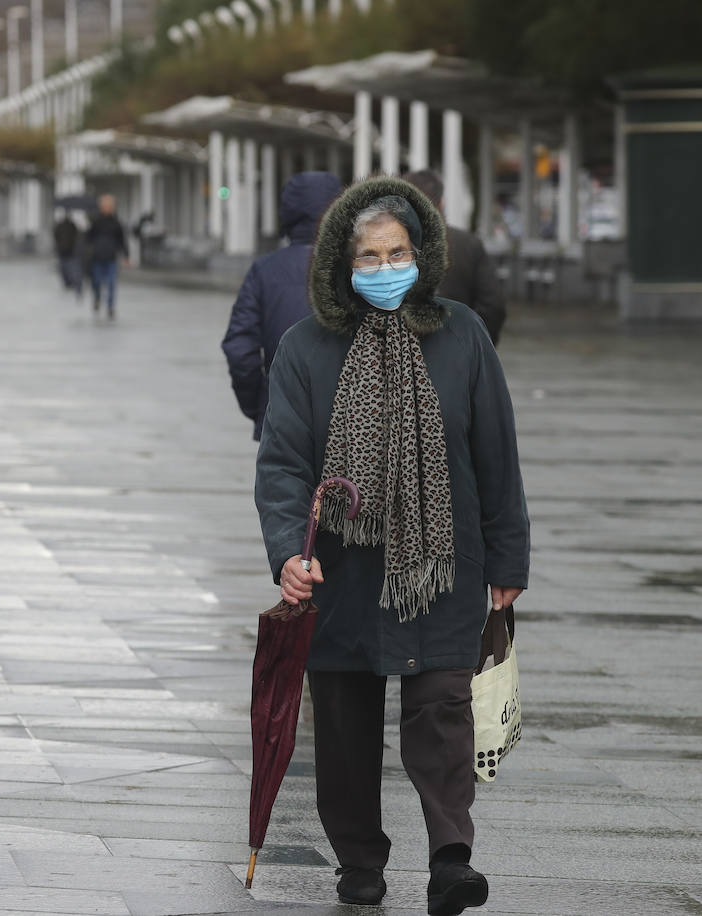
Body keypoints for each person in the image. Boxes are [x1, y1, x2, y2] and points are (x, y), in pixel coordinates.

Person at [254, 177, 529, 916]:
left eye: (397, 253)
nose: (384, 269)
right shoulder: (304, 348)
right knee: (343, 726)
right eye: (369, 257)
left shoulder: (462, 333)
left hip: (440, 564)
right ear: (341, 266)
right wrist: (288, 550)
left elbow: (496, 453)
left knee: (441, 710)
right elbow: (282, 462)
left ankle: (450, 859)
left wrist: (508, 562)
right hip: (339, 571)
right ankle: (360, 863)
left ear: (423, 253)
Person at [221, 171, 343, 441]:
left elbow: (240, 348)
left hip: (281, 416)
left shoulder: (264, 271)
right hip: (348, 420)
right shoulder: (360, 268)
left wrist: (259, 403)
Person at [402, 170, 507, 345]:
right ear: (442, 203)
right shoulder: (468, 244)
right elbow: (493, 305)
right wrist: (477, 345)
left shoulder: (391, 246)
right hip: (460, 348)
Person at [84, 194, 129, 317]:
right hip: (97, 258)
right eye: (105, 206)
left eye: (109, 206)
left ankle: (110, 306)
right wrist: (87, 251)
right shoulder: (96, 222)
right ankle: (97, 298)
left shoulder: (116, 223)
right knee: (97, 282)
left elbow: (122, 240)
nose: (107, 208)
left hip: (111, 258)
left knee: (111, 283)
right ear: (101, 207)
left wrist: (126, 256)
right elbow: (88, 238)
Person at [52, 208, 82, 297]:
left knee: (66, 267)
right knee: (66, 267)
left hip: (66, 250)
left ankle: (68, 282)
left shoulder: (66, 225)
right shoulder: (69, 225)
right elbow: (56, 235)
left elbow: (56, 235)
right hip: (67, 250)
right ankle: (68, 282)